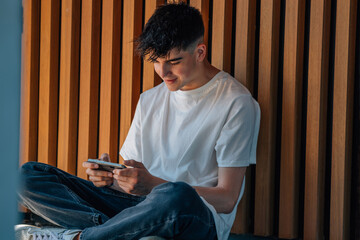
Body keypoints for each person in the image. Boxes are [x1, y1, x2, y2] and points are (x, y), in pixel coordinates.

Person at [18, 3, 260, 240]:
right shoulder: (150, 100)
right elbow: (133, 184)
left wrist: (153, 185)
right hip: (137, 209)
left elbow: (227, 199)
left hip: (190, 217)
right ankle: (119, 234)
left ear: (200, 53)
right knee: (28, 175)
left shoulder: (236, 103)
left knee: (176, 194)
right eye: (156, 61)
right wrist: (111, 179)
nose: (163, 72)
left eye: (173, 62)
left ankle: (83, 237)